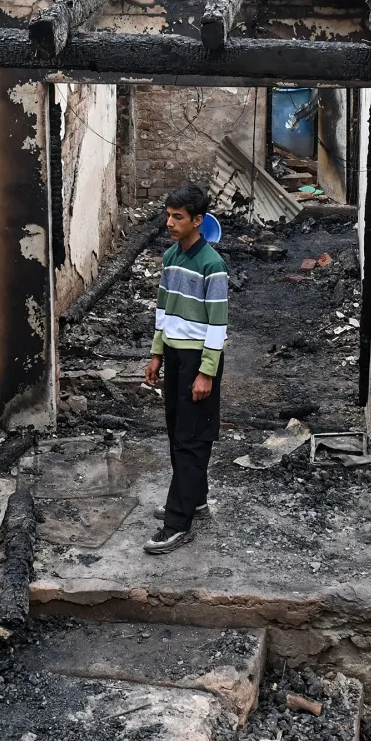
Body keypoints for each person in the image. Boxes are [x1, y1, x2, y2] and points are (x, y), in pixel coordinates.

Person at [142, 183, 227, 554]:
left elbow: (218, 325)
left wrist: (206, 372)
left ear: (198, 220)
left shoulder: (213, 265)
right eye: (168, 215)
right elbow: (163, 311)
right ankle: (196, 499)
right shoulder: (170, 257)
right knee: (179, 430)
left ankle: (178, 523)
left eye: (178, 217)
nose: (170, 222)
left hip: (198, 360)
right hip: (175, 357)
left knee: (192, 438)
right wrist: (157, 354)